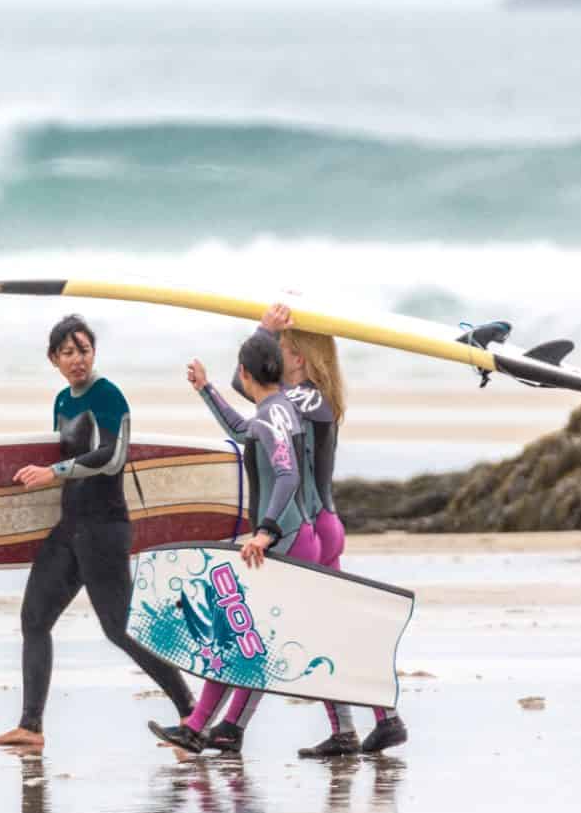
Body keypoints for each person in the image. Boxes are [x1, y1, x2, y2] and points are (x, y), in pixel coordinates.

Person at [0, 314, 196, 751]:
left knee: (119, 629)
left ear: (94, 352)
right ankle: (31, 727)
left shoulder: (109, 395)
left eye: (83, 349)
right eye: (67, 352)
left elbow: (113, 457)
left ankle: (191, 712)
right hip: (70, 527)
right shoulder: (62, 400)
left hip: (104, 528)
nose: (77, 359)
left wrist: (55, 471)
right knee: (34, 618)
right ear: (53, 359)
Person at [149, 330, 319, 754]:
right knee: (252, 641)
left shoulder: (269, 417)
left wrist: (264, 530)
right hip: (299, 536)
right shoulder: (281, 409)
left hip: (285, 538)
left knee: (233, 632)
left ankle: (197, 726)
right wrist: (206, 390)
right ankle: (229, 728)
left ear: (244, 373)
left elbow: (287, 476)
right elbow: (245, 430)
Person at [258, 303, 408, 757]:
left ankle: (378, 719)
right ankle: (362, 724)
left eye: (283, 349)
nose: (275, 356)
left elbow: (249, 382)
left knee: (325, 630)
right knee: (329, 629)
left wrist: (262, 332)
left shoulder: (302, 400)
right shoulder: (319, 397)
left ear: (300, 357)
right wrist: (268, 335)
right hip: (326, 520)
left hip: (311, 525)